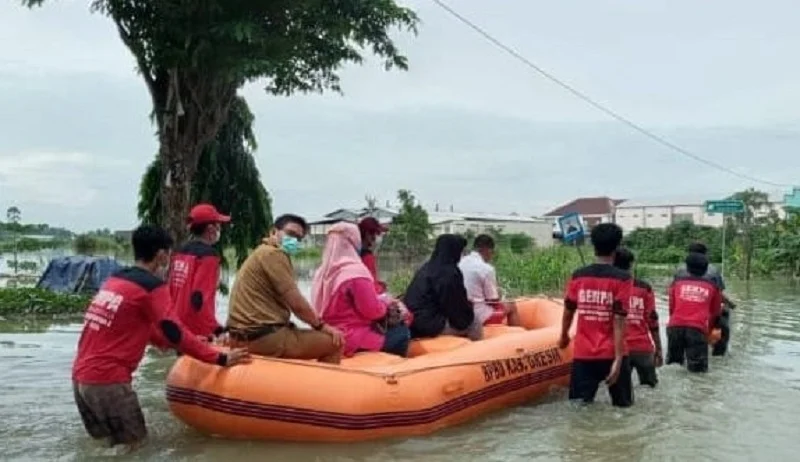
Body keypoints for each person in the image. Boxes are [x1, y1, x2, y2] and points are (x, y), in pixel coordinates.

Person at [71, 225, 249, 452]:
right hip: (108, 383)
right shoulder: (151, 287)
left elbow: (141, 328)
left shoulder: (116, 280)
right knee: (137, 448)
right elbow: (174, 331)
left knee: (105, 448)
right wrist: (220, 358)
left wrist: (176, 342)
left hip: (81, 381)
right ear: (162, 255)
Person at [226, 214, 345, 363]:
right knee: (335, 343)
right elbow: (296, 303)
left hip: (240, 336)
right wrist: (321, 326)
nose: (294, 240)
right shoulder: (274, 254)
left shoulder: (262, 252)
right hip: (263, 339)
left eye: (299, 238)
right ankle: (325, 379)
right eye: (290, 234)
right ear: (273, 232)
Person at [559, 223, 634, 407]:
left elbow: (569, 309)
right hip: (613, 352)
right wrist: (618, 359)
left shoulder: (578, 276)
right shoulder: (623, 279)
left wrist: (563, 336)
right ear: (617, 246)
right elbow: (619, 319)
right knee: (624, 409)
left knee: (578, 409)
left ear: (593, 245)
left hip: (584, 353)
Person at [311, 222, 411, 357]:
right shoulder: (355, 273)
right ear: (354, 241)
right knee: (402, 333)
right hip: (351, 337)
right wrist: (385, 304)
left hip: (327, 335)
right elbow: (373, 311)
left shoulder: (322, 273)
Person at [169, 203, 230, 339]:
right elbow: (199, 298)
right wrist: (215, 329)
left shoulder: (180, 253)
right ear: (210, 229)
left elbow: (172, 291)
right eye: (218, 225)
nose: (220, 229)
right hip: (196, 330)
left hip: (176, 325)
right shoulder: (208, 256)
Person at [404, 234, 479, 340]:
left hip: (413, 322)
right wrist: (468, 312)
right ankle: (477, 349)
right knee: (474, 323)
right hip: (429, 324)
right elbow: (454, 307)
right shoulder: (449, 273)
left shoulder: (427, 267)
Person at [673, 242, 736, 356]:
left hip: (679, 319)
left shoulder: (679, 270)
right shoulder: (712, 270)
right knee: (724, 322)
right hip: (703, 317)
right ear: (705, 255)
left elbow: (674, 293)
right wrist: (731, 304)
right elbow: (718, 295)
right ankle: (718, 354)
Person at [613, 247, 662, 387]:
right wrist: (659, 349)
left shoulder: (609, 286)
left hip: (618, 349)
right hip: (642, 348)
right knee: (650, 389)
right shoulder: (644, 288)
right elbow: (652, 319)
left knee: (621, 392)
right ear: (631, 265)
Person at [667, 252, 722, 373]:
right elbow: (715, 313)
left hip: (674, 327)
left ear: (687, 267)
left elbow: (671, 307)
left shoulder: (676, 283)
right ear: (706, 269)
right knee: (698, 372)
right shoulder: (713, 286)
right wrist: (709, 332)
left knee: (673, 366)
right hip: (697, 330)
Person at [458, 234, 521, 327]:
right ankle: (518, 333)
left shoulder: (460, 262)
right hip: (479, 315)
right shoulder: (486, 269)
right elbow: (493, 300)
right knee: (511, 305)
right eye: (492, 252)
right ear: (488, 250)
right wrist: (499, 293)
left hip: (461, 312)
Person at [358, 217, 389, 294]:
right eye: (377, 233)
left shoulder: (354, 253)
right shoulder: (367, 257)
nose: (379, 237)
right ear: (368, 234)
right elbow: (372, 287)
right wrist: (382, 288)